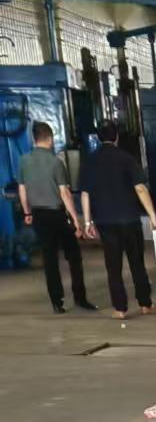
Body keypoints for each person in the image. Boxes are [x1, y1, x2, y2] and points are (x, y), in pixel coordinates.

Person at [80, 121, 156, 319]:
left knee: (113, 267)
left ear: (99, 138)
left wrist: (88, 222)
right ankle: (145, 304)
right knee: (137, 263)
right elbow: (140, 188)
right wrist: (152, 216)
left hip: (105, 222)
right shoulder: (126, 158)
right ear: (116, 137)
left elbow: (85, 193)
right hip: (129, 220)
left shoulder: (90, 161)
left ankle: (120, 309)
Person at [17, 121, 94, 314]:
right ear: (50, 139)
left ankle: (57, 302)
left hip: (39, 215)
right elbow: (65, 193)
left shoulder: (24, 161)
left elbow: (22, 190)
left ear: (34, 139)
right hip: (57, 213)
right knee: (73, 256)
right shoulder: (55, 162)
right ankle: (80, 297)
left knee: (49, 258)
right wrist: (75, 219)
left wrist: (27, 213)